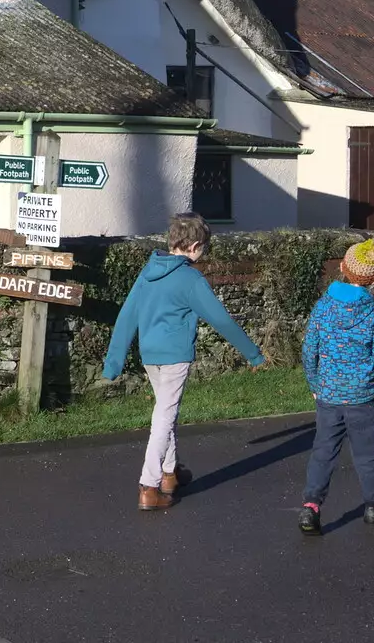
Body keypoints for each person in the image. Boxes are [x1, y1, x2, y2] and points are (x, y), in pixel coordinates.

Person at [102, 212, 266, 511]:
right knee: (164, 417)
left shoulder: (148, 271)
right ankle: (149, 486)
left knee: (166, 411)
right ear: (193, 246)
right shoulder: (190, 278)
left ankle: (169, 474)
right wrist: (253, 353)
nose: (202, 254)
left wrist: (114, 361)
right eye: (203, 248)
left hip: (149, 354)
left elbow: (127, 315)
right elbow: (221, 319)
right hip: (175, 355)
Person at [298, 238, 374, 535]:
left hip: (328, 395)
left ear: (342, 267)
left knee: (323, 451)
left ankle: (310, 507)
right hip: (363, 397)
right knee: (366, 454)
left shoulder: (322, 308)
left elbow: (309, 351)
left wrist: (315, 383)